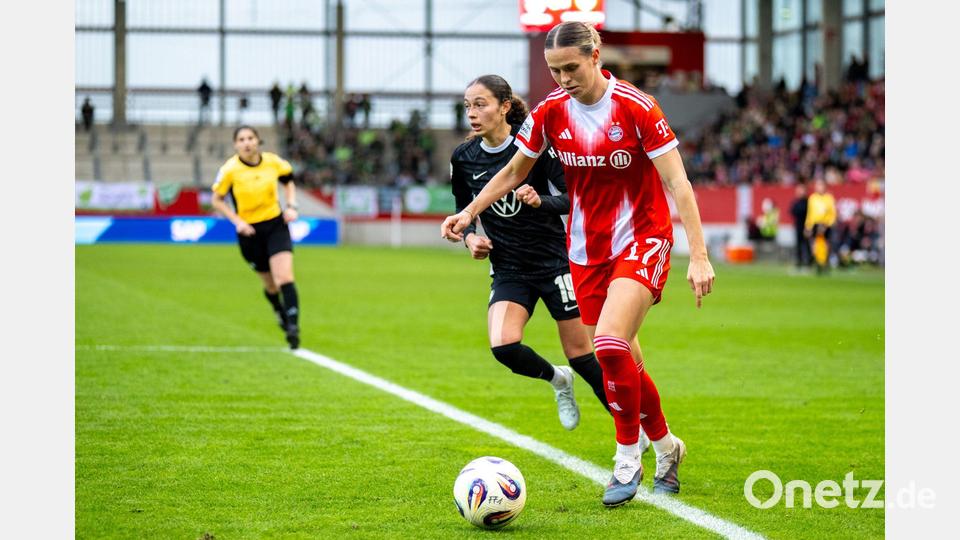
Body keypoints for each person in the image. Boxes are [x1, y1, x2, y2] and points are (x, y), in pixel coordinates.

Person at [441, 21, 715, 506]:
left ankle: (627, 459)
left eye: (571, 67)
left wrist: (699, 254)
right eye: (554, 71)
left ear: (595, 55)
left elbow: (678, 182)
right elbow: (512, 171)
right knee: (626, 356)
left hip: (643, 238)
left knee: (606, 344)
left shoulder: (636, 107)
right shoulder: (550, 113)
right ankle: (668, 448)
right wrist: (468, 214)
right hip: (587, 250)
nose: (563, 78)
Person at [450, 74, 651, 449]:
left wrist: (541, 200)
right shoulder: (464, 158)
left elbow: (576, 198)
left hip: (556, 262)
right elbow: (465, 212)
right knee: (504, 347)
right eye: (467, 106)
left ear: (505, 107)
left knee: (584, 356)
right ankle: (558, 381)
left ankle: (634, 432)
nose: (472, 114)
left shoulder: (538, 148)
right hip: (509, 267)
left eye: (480, 104)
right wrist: (470, 238)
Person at [211, 126, 303, 349]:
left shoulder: (273, 162)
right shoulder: (230, 170)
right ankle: (278, 310)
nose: (246, 143)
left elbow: (288, 181)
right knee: (271, 285)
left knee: (284, 277)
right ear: (235, 145)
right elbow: (217, 199)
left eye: (250, 138)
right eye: (241, 139)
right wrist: (238, 222)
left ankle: (293, 327)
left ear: (258, 141)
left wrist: (291, 205)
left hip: (275, 225)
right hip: (249, 233)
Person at [804, 178, 837, 275]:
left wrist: (827, 224)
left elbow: (833, 214)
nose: (819, 187)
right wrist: (808, 226)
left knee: (826, 245)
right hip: (815, 224)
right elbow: (810, 214)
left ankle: (825, 263)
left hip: (825, 225)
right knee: (814, 245)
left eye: (821, 185)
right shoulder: (812, 198)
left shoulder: (829, 198)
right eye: (817, 185)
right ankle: (817, 263)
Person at [789, 183, 811, 269]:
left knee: (807, 244)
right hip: (798, 226)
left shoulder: (808, 202)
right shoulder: (796, 202)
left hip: (807, 226)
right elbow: (792, 211)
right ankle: (799, 261)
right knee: (798, 244)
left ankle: (809, 261)